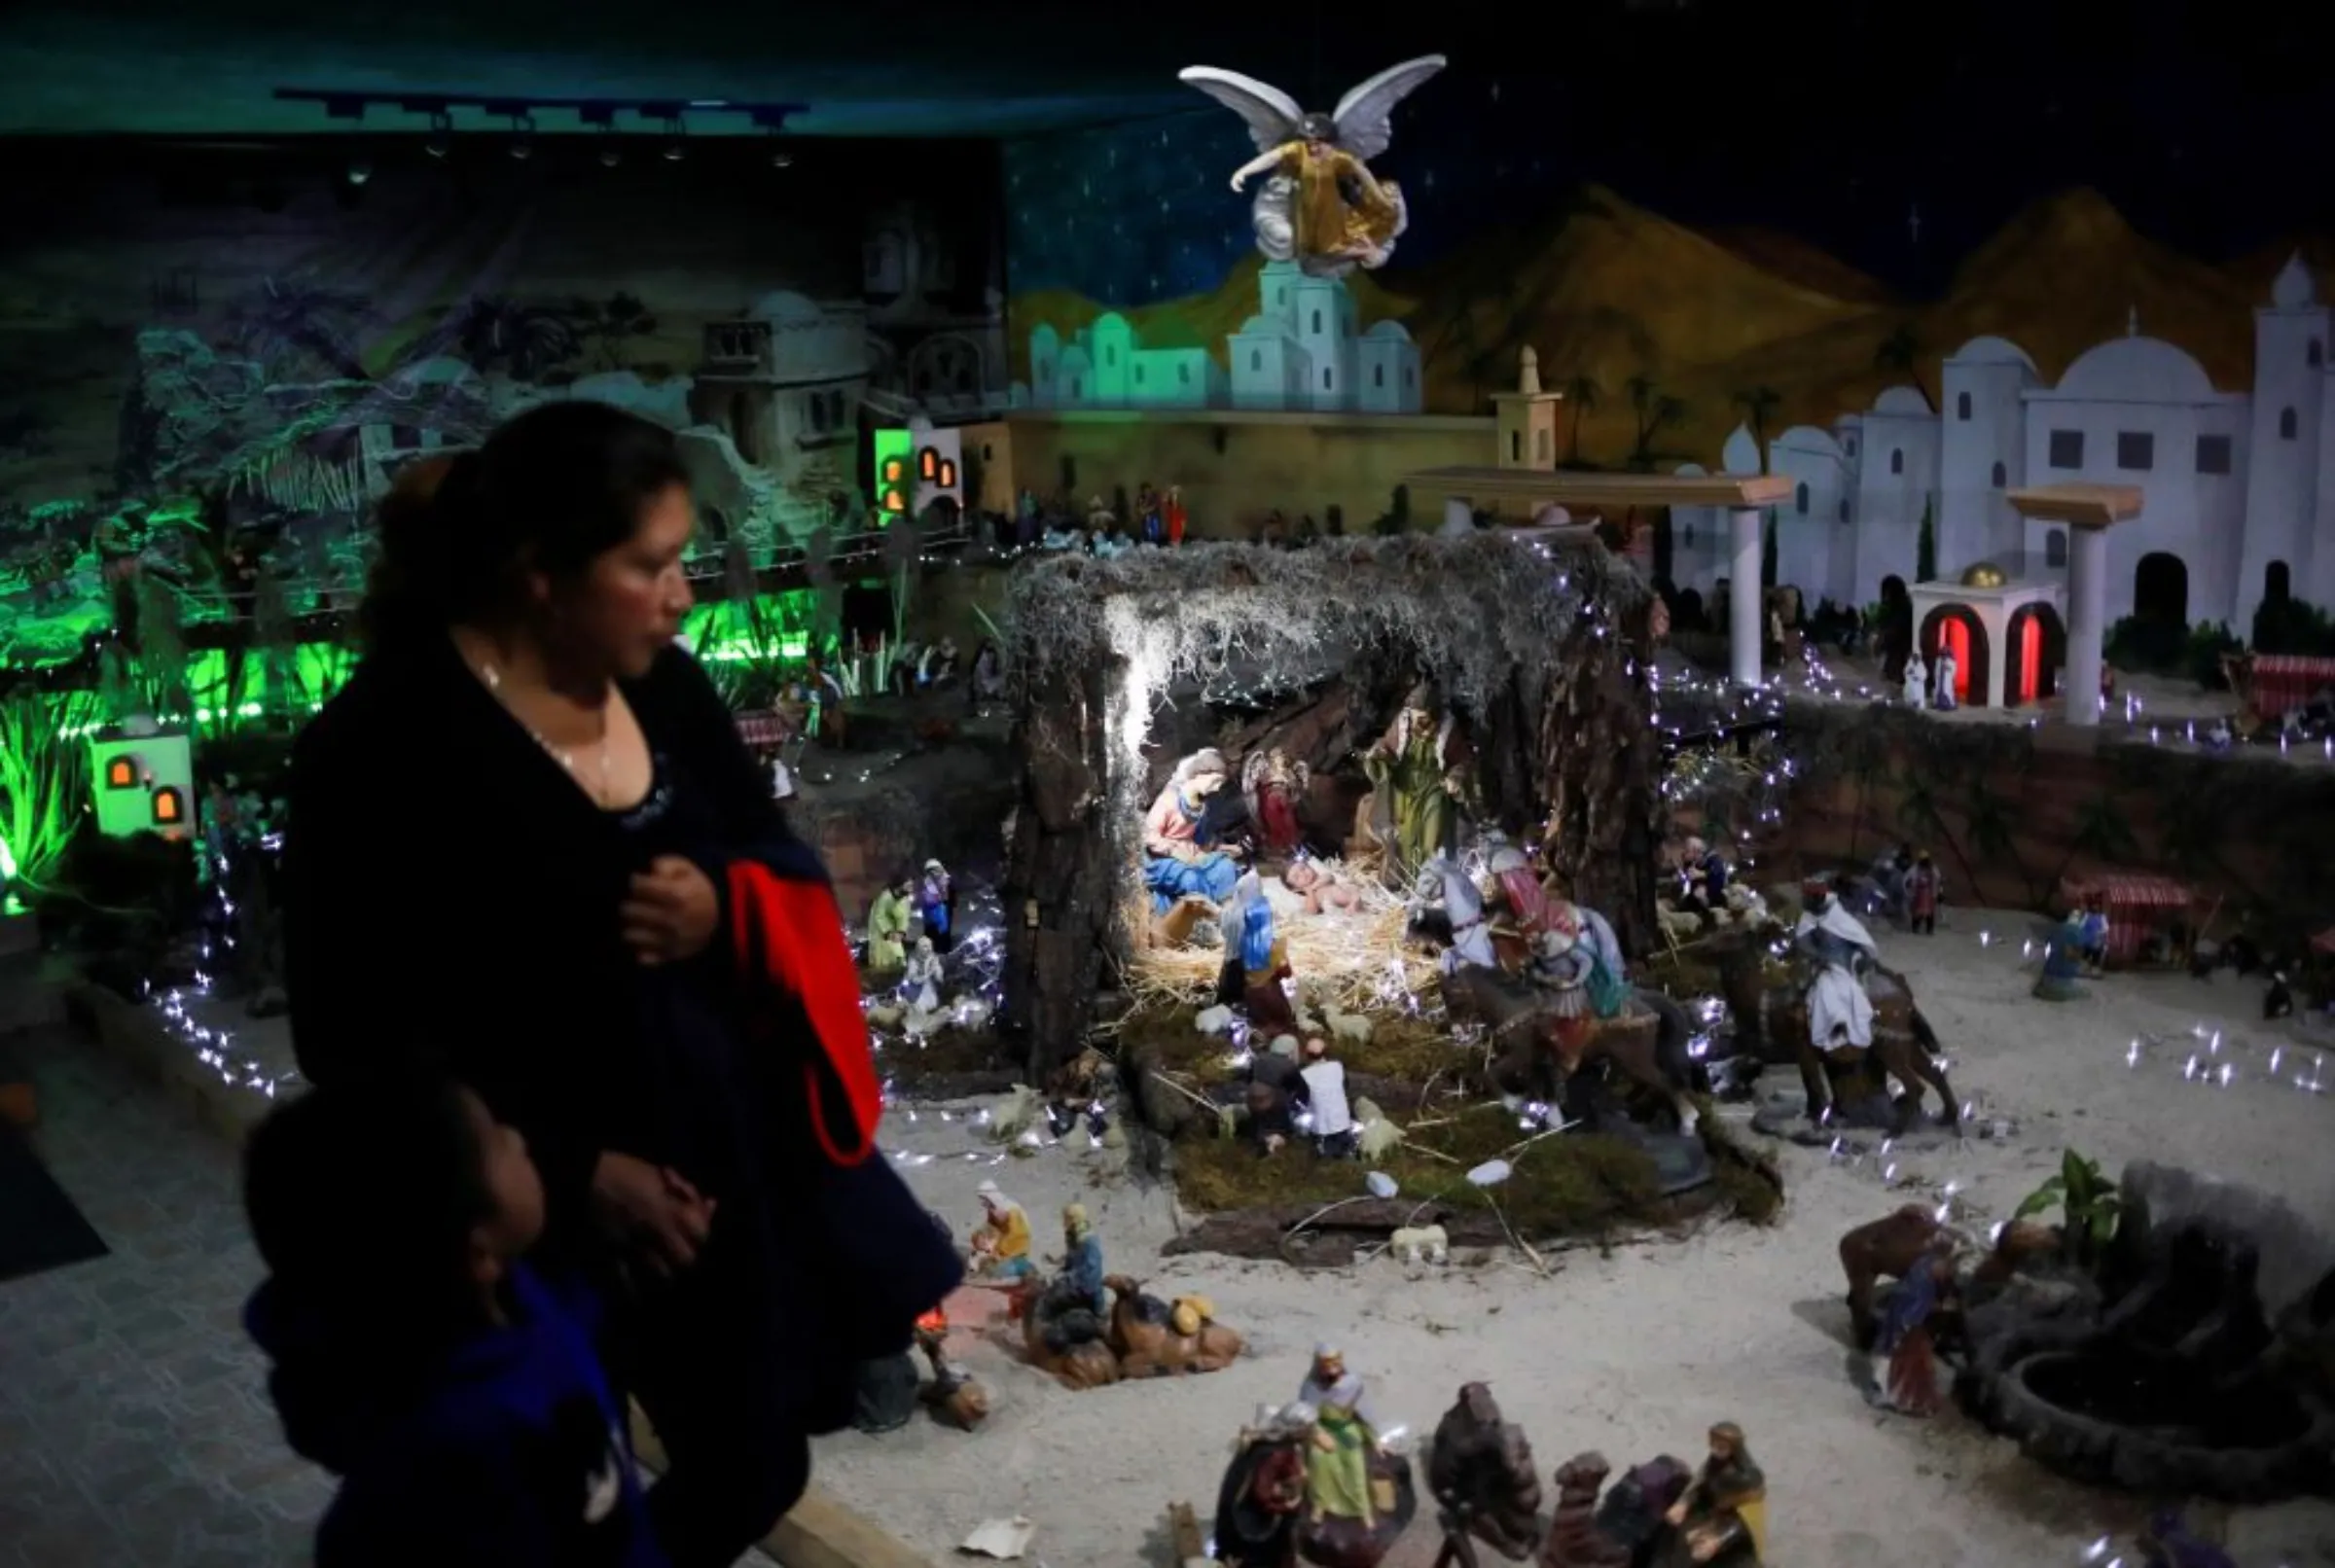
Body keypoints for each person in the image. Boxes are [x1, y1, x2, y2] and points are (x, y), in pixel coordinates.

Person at [281, 402, 960, 1568]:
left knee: (761, 1456)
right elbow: (347, 1035)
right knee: (548, 1502)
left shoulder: (665, 692)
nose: (683, 592)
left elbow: (770, 856)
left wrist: (719, 898)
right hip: (525, 1225)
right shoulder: (379, 752)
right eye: (649, 565)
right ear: (541, 575)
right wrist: (571, 1173)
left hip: (712, 1175)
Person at [242, 1076, 665, 1568]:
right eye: (495, 1142)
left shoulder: (515, 1293)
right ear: (477, 1249)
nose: (519, 1137)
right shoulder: (447, 1462)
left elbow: (571, 1326)